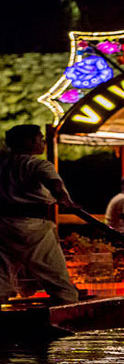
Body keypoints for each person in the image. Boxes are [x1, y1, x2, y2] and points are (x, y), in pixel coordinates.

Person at [0, 125, 79, 305]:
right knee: (56, 277)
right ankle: (68, 313)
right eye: (40, 139)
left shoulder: (3, 165)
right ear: (28, 142)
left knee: (1, 276)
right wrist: (65, 200)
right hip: (32, 227)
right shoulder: (37, 164)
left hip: (3, 225)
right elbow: (54, 184)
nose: (42, 142)